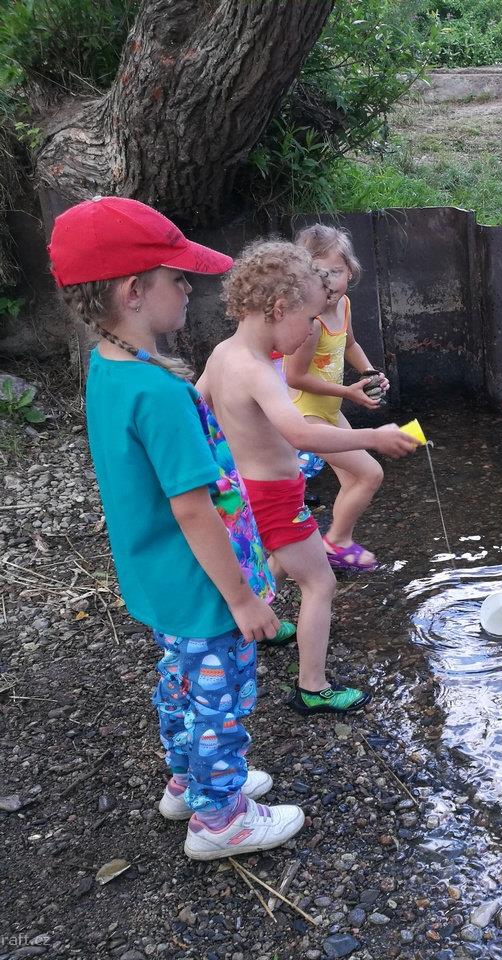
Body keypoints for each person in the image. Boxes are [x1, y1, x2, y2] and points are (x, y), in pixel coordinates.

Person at [48, 196, 304, 860]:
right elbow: (193, 508)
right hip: (204, 588)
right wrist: (242, 598)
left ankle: (189, 782)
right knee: (220, 697)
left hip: (158, 578)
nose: (189, 288)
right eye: (176, 277)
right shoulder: (159, 394)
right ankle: (220, 819)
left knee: (183, 682)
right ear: (134, 291)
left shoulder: (109, 370)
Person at [197, 241, 419, 716]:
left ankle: (264, 622)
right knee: (320, 583)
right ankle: (312, 688)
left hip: (244, 492)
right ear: (280, 309)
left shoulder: (221, 354)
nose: (308, 334)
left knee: (276, 559)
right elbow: (300, 433)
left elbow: (197, 408)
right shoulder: (259, 371)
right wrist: (374, 437)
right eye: (309, 319)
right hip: (275, 496)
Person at [286, 224, 391, 572]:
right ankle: (335, 544)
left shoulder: (343, 305)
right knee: (370, 474)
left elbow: (350, 345)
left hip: (329, 411)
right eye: (319, 273)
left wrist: (369, 373)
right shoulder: (311, 322)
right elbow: (293, 377)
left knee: (352, 480)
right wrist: (348, 392)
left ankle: (316, 555)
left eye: (336, 271)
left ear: (350, 271)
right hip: (306, 414)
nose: (329, 281)